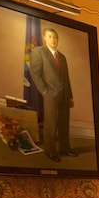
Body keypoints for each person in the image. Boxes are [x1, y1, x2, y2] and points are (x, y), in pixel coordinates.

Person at [29, 27, 76, 162]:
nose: (53, 40)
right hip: (50, 94)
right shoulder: (38, 52)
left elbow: (66, 79)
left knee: (63, 124)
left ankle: (65, 148)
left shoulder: (62, 57)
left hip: (64, 96)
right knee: (51, 124)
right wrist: (45, 91)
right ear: (44, 38)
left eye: (55, 37)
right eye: (50, 37)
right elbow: (35, 74)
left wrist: (70, 96)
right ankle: (50, 151)